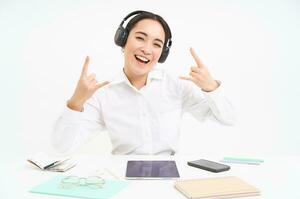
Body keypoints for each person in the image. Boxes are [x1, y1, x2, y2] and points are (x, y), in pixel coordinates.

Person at [52, 10, 235, 155]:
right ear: (122, 40)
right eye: (140, 38)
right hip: (122, 175)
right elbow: (63, 147)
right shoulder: (103, 93)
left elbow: (228, 119)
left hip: (169, 175)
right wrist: (76, 101)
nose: (147, 49)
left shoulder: (177, 86)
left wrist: (211, 87)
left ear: (163, 53)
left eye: (156, 44)